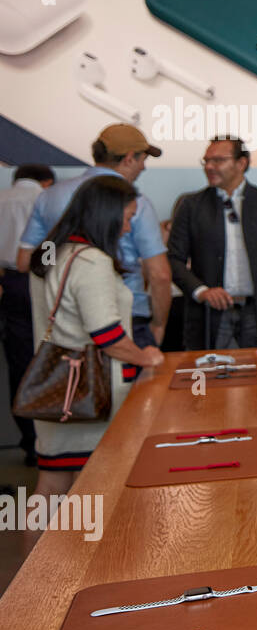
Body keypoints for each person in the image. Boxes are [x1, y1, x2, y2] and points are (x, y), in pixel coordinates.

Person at [26, 175, 164, 549]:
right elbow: (108, 337)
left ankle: (27, 590)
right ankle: (80, 576)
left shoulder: (52, 253)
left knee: (51, 486)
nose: (127, 225)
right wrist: (147, 355)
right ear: (106, 212)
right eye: (126, 216)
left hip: (53, 388)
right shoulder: (92, 261)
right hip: (93, 394)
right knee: (96, 489)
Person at [17, 125, 170, 348]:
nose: (143, 167)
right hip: (122, 319)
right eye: (142, 159)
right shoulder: (135, 202)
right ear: (129, 158)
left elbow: (26, 261)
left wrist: (61, 269)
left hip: (64, 321)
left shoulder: (50, 196)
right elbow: (160, 274)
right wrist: (159, 326)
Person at [168, 137, 257, 350]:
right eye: (206, 161)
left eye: (218, 160)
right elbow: (174, 260)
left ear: (241, 163)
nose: (209, 167)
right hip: (209, 314)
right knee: (212, 375)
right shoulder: (191, 206)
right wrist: (202, 291)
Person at [0, 164, 54, 468]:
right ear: (46, 182)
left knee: (18, 364)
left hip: (7, 282)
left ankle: (30, 444)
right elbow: (47, 252)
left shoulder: (2, 198)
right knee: (48, 358)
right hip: (38, 279)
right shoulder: (44, 201)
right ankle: (50, 442)